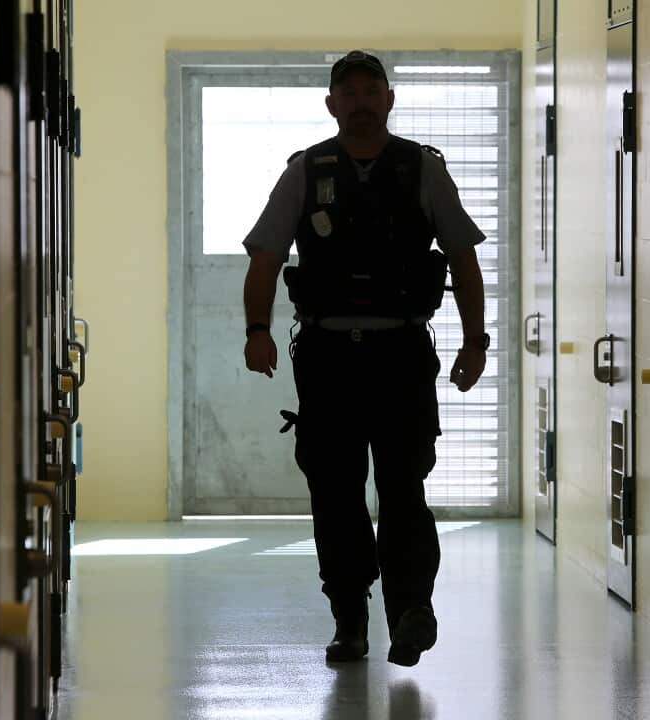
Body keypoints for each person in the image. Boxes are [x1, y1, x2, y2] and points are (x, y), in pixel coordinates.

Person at [240, 50, 489, 667]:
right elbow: (266, 257)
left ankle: (410, 613)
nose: (359, 102)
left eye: (369, 91)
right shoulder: (307, 171)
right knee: (336, 493)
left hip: (400, 354)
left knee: (404, 487)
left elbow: (462, 258)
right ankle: (350, 619)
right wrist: (256, 329)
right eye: (347, 93)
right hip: (327, 357)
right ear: (332, 105)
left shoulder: (421, 169)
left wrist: (475, 340)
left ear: (388, 100)